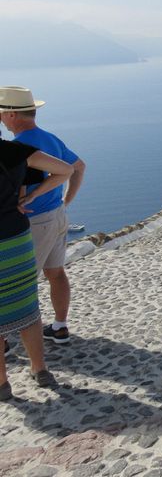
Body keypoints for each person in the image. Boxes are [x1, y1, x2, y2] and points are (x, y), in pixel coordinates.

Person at [0, 86, 86, 344]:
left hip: (35, 222)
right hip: (57, 216)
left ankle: (3, 344)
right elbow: (78, 166)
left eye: (1, 112)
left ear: (12, 115)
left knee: (19, 284)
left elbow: (19, 191)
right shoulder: (49, 138)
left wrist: (30, 198)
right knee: (56, 273)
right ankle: (59, 326)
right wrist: (65, 201)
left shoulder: (18, 148)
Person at [0, 128, 74, 400]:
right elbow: (66, 170)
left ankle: (2, 384)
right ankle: (40, 369)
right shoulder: (15, 152)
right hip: (16, 238)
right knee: (26, 302)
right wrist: (29, 197)